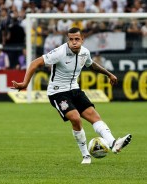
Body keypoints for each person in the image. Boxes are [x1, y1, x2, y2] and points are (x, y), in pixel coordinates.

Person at [12, 27, 132, 164]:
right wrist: (25, 83)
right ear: (67, 40)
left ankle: (114, 143)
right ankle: (86, 155)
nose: (74, 42)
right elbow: (35, 63)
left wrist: (108, 74)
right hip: (57, 92)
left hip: (74, 90)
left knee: (94, 116)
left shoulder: (85, 52)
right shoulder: (59, 52)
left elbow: (91, 65)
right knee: (75, 118)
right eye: (71, 39)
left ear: (82, 40)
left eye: (77, 39)